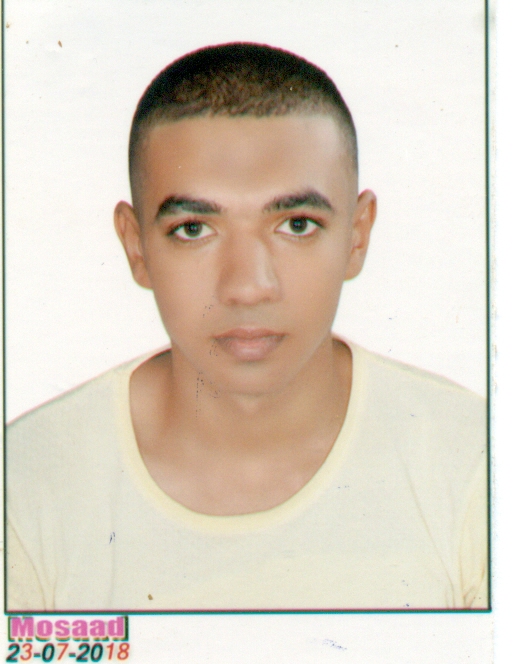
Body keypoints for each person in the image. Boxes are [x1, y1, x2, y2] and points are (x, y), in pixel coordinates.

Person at [7, 43, 487, 611]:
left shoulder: (477, 466)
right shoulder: (25, 487)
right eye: (193, 229)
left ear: (357, 236)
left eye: (297, 224)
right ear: (136, 247)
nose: (248, 287)